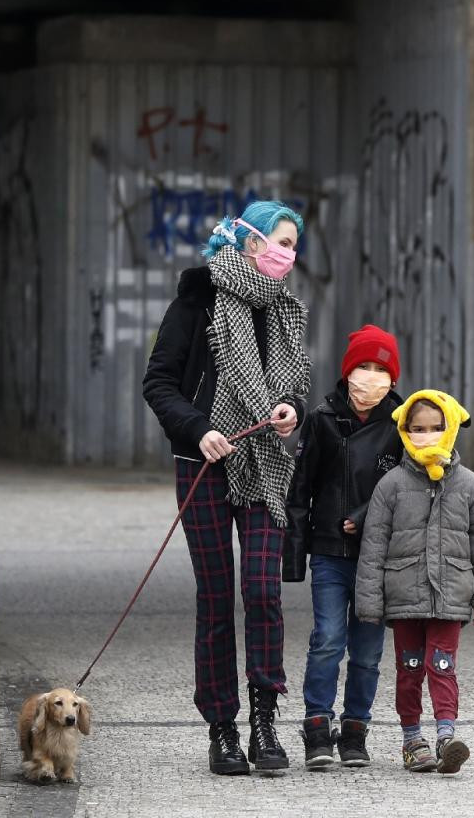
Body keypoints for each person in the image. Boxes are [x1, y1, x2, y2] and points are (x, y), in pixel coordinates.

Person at [143, 201, 311, 775]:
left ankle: (265, 722)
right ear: (248, 240)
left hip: (265, 464)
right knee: (216, 599)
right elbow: (159, 382)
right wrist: (200, 429)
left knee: (263, 592)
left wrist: (292, 410)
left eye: (294, 244)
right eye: (280, 241)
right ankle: (222, 729)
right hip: (204, 463)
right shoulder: (197, 300)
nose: (288, 253)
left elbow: (294, 387)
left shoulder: (286, 313)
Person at [354, 390, 474, 774]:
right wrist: (369, 602)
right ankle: (412, 739)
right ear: (404, 431)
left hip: (451, 595)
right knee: (410, 668)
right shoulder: (391, 485)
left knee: (443, 665)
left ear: (451, 429)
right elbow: (373, 546)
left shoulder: (470, 486)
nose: (427, 435)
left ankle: (446, 737)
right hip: (404, 597)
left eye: (436, 428)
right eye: (418, 429)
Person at [283, 325, 404, 769]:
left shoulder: (402, 422)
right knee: (328, 640)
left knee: (369, 651)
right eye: (362, 367)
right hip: (331, 551)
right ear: (347, 371)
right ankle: (317, 726)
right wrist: (294, 557)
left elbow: (409, 486)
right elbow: (301, 490)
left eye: (380, 369)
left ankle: (355, 729)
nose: (370, 377)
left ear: (393, 377)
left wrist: (369, 515)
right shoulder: (322, 419)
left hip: (379, 556)